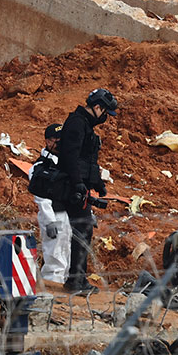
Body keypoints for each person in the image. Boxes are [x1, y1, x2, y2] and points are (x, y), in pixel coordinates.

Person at [58, 88, 118, 294]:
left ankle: (77, 279)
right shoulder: (77, 123)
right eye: (105, 113)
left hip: (80, 186)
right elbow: (70, 156)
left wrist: (97, 183)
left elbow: (86, 161)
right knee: (82, 231)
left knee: (83, 230)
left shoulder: (83, 124)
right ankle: (76, 281)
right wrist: (77, 184)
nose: (105, 118)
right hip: (72, 187)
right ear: (97, 107)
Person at [30, 124, 70, 287]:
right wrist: (49, 221)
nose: (61, 143)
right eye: (57, 140)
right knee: (55, 257)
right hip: (53, 215)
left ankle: (62, 289)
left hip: (66, 215)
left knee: (66, 255)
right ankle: (52, 290)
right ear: (48, 141)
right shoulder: (40, 167)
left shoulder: (65, 163)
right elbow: (41, 197)